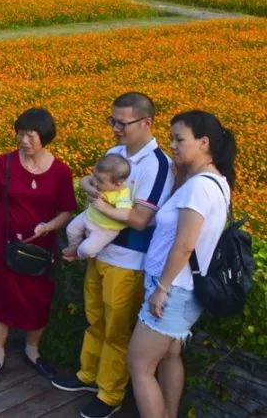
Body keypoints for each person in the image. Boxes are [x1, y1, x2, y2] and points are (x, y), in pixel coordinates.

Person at [51, 93, 174, 418]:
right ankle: (87, 375)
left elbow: (140, 218)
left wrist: (101, 200)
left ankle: (110, 393)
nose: (116, 128)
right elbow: (95, 186)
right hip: (100, 252)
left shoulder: (158, 164)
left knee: (117, 330)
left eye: (122, 123)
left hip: (129, 261)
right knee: (95, 320)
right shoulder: (114, 153)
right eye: (113, 121)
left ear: (146, 122)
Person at [127, 111, 235, 418]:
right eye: (171, 138)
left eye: (179, 139)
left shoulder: (199, 187)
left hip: (172, 289)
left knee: (139, 365)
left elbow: (185, 244)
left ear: (203, 143)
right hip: (183, 289)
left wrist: (160, 289)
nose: (172, 144)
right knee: (170, 356)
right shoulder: (213, 181)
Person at [0, 107, 76, 384]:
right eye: (20, 134)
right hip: (3, 245)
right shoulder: (4, 164)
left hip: (40, 250)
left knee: (37, 299)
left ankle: (32, 350)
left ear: (45, 137)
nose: (23, 140)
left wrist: (48, 227)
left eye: (30, 135)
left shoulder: (61, 172)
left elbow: (66, 211)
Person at [62, 155, 133, 260]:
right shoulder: (102, 177)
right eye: (94, 176)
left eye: (99, 181)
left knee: (86, 249)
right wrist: (91, 189)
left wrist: (104, 208)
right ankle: (73, 247)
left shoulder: (122, 194)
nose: (95, 182)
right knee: (71, 229)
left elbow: (125, 214)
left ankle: (77, 255)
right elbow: (85, 180)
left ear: (118, 184)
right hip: (89, 215)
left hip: (105, 229)